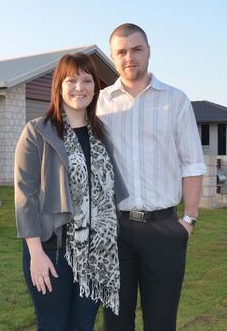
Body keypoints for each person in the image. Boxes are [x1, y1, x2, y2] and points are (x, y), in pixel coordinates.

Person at [97, 23, 206, 330]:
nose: (129, 57)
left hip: (165, 229)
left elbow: (192, 164)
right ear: (113, 56)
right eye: (121, 51)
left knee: (160, 321)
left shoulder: (176, 100)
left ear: (148, 52)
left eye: (136, 49)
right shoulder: (101, 103)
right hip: (116, 231)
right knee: (116, 321)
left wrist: (189, 220)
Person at [14, 52, 126, 330]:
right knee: (53, 325)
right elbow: (24, 196)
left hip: (96, 251)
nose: (80, 87)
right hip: (52, 249)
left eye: (87, 80)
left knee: (83, 325)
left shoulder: (102, 136)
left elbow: (110, 193)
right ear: (59, 86)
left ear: (95, 88)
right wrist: (35, 254)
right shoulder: (37, 132)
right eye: (72, 80)